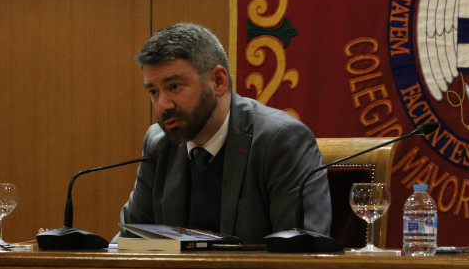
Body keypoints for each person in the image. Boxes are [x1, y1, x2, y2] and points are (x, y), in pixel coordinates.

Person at [120, 23, 331, 245]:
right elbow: (131, 240)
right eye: (153, 92)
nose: (163, 104)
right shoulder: (159, 143)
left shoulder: (280, 140)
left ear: (218, 81)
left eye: (174, 87)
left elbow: (300, 252)